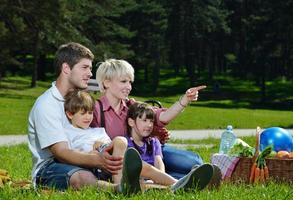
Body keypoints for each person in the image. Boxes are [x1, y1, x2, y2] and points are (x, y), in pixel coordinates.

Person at [27, 42, 140, 193]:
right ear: (66, 68)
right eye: (85, 67)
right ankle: (118, 189)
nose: (90, 74)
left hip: (83, 157)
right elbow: (61, 152)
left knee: (129, 165)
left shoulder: (78, 100)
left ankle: (171, 184)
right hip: (50, 167)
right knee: (83, 177)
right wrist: (97, 160)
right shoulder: (46, 104)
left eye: (90, 68)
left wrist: (104, 153)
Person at [64, 90, 215, 191]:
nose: (88, 117)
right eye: (83, 113)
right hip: (101, 167)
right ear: (70, 114)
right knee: (120, 142)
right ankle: (120, 185)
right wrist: (94, 150)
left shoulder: (97, 131)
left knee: (144, 170)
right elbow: (70, 155)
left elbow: (111, 147)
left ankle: (176, 185)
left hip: (114, 160)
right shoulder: (68, 133)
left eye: (90, 113)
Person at [90, 59, 209, 179]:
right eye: (123, 81)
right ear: (107, 82)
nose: (129, 87)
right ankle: (185, 180)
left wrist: (184, 100)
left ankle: (191, 177)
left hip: (147, 151)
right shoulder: (95, 109)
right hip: (125, 162)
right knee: (188, 170)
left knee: (194, 162)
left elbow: (162, 116)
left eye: (130, 82)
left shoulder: (132, 105)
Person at [126, 101, 165, 171]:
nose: (149, 125)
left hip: (156, 179)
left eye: (151, 121)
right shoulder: (126, 144)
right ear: (131, 122)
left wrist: (161, 177)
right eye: (145, 120)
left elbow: (159, 163)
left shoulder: (154, 142)